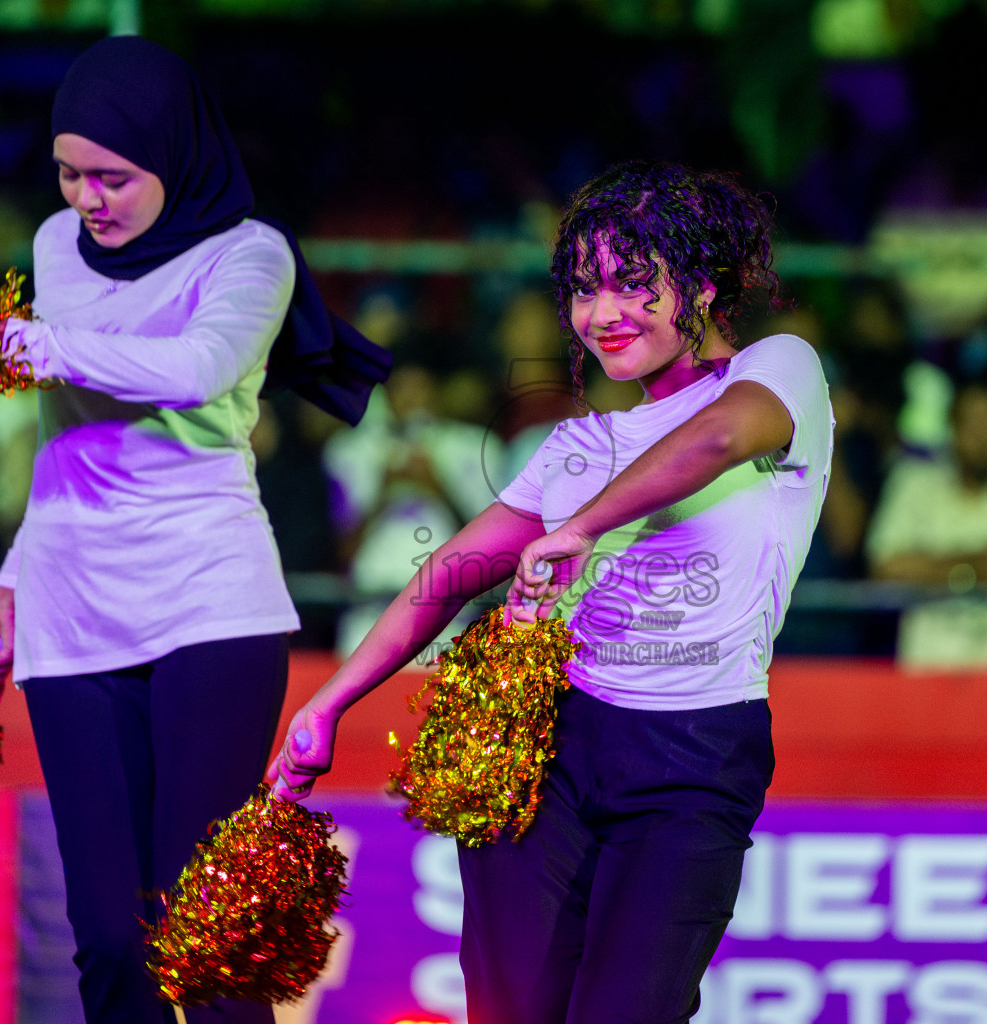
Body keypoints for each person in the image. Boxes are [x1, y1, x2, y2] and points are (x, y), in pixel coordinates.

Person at [271, 160, 832, 1022]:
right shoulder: (576, 444)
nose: (603, 313)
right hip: (552, 749)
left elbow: (717, 439)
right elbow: (450, 572)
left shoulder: (777, 371)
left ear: (706, 288)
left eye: (635, 285)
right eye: (583, 289)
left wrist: (584, 525)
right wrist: (332, 701)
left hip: (693, 763)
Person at [0, 36, 387, 1024]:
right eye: (68, 174)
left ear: (177, 154)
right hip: (71, 611)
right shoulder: (53, 246)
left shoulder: (251, 253)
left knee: (206, 938)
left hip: (210, 603)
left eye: (113, 176)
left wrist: (31, 343)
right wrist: (14, 577)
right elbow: (64, 437)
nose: (87, 199)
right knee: (111, 942)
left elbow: (195, 368)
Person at [866, 375, 987, 669]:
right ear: (951, 426)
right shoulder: (915, 481)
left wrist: (930, 567)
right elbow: (886, 570)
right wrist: (982, 565)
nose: (980, 436)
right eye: (970, 424)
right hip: (929, 675)